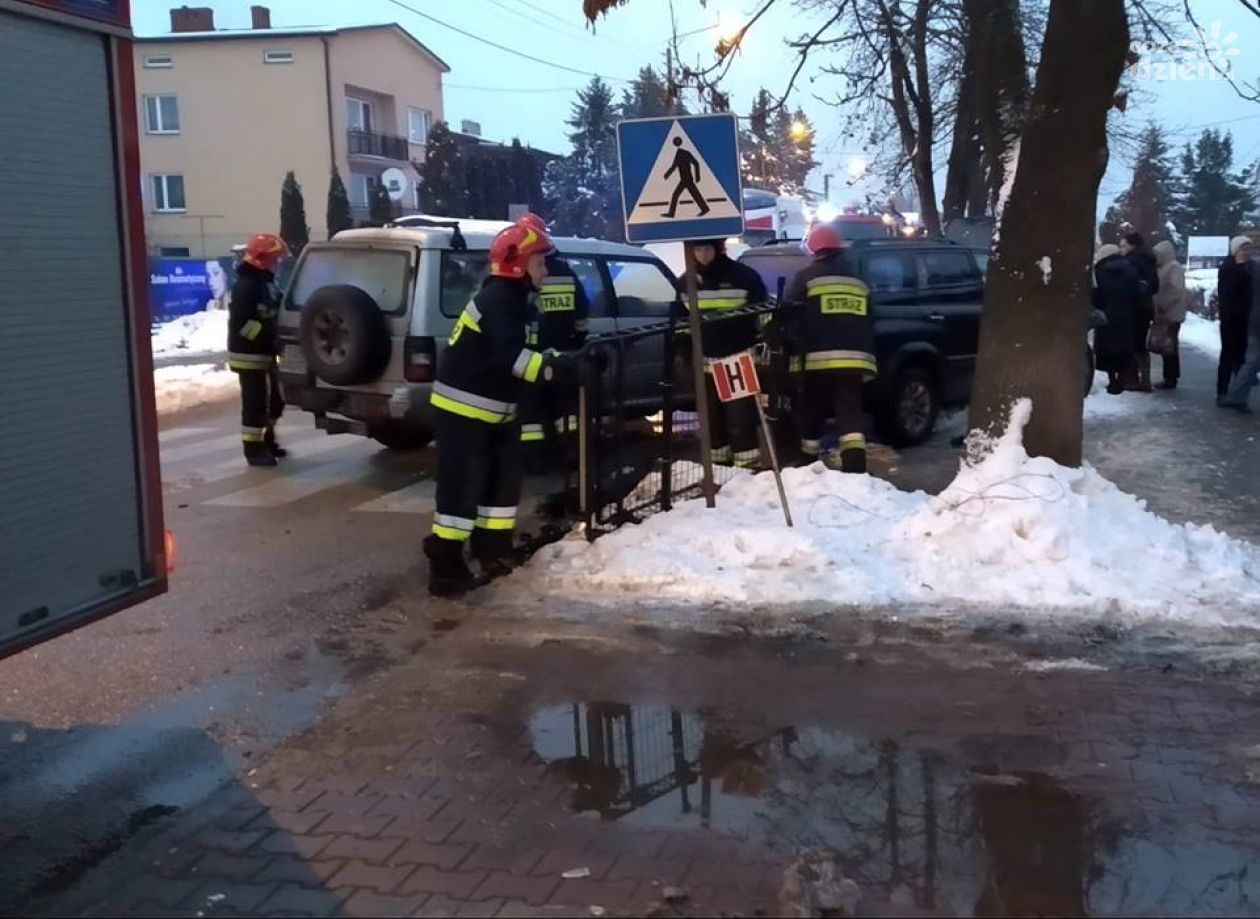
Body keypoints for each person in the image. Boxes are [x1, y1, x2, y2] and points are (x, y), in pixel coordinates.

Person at [424, 223, 573, 596]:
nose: (546, 271)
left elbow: (529, 354)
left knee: (501, 487)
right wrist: (561, 370)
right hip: (464, 413)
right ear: (519, 265)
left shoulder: (516, 301)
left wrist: (563, 360)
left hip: (495, 411)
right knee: (461, 491)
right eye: (539, 263)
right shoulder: (501, 302)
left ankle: (493, 550)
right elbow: (516, 360)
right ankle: (445, 564)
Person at [779, 224, 877, 473]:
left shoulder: (807, 277)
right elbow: (871, 316)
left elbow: (790, 313)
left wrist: (787, 340)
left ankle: (807, 461)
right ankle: (855, 466)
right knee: (850, 412)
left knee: (813, 407)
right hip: (856, 360)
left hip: (818, 359)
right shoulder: (858, 280)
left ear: (815, 250)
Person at [678, 237, 769, 469]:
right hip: (703, 361)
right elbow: (680, 322)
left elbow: (764, 314)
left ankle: (746, 468)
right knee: (711, 421)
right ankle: (719, 470)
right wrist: (684, 352)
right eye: (697, 249)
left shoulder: (743, 277)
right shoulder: (685, 282)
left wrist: (769, 337)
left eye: (707, 249)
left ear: (718, 249)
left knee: (740, 419)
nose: (703, 255)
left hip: (735, 358)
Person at [515, 212, 589, 455]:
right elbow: (582, 311)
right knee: (565, 409)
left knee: (531, 413)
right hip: (563, 354)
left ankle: (535, 459)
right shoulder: (566, 271)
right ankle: (572, 457)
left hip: (530, 357)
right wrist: (577, 341)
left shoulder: (520, 272)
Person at [227, 233, 289, 467]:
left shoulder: (266, 283)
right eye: (276, 259)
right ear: (263, 259)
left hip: (265, 352)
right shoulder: (246, 286)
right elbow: (244, 325)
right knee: (255, 403)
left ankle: (267, 439)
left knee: (276, 401)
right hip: (249, 355)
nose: (278, 264)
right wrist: (271, 334)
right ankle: (252, 450)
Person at [1092, 244, 1142, 395]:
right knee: (1124, 347)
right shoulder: (1131, 270)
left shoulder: (1098, 272)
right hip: (1127, 316)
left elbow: (1095, 296)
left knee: (1106, 348)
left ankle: (1111, 378)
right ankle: (1122, 377)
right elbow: (1137, 294)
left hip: (1105, 316)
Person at [1219, 253, 1260, 415]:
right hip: (1254, 320)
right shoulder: (1251, 268)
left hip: (1254, 319)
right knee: (1250, 361)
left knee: (1250, 361)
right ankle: (1236, 396)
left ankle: (1236, 396)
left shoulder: (1254, 268)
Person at [1119, 231, 1159, 392]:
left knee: (1132, 345)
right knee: (1140, 345)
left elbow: (1125, 286)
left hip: (1132, 308)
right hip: (1146, 307)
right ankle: (1146, 380)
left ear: (1132, 245)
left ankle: (1133, 380)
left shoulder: (1131, 262)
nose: (1121, 249)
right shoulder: (1150, 261)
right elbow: (1155, 287)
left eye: (1123, 246)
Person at [1217, 235, 1254, 402]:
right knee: (1228, 355)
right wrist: (1239, 268)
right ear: (1235, 250)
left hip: (1248, 318)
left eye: (1249, 249)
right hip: (1230, 318)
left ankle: (1239, 395)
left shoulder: (1252, 267)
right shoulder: (1228, 267)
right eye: (1243, 249)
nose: (1246, 252)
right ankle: (1222, 391)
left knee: (1242, 356)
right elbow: (1228, 290)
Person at [1151, 240, 1187, 390]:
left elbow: (1176, 290)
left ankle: (1170, 378)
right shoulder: (1163, 267)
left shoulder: (1173, 267)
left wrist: (1163, 305)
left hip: (1170, 313)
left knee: (1169, 347)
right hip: (1165, 313)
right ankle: (1170, 376)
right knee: (1168, 346)